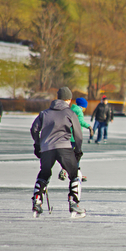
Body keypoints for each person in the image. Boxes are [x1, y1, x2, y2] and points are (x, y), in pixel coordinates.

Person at [30, 87, 86, 218]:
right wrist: (77, 150)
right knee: (75, 174)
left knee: (44, 173)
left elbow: (34, 130)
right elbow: (79, 135)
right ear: (68, 99)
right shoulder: (70, 113)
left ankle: (37, 201)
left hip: (47, 148)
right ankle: (73, 203)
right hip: (64, 148)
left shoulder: (44, 113)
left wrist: (38, 144)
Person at [58, 97, 93, 182]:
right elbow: (80, 121)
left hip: (68, 137)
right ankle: (75, 172)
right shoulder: (79, 111)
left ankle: (65, 170)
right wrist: (89, 126)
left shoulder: (71, 110)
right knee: (77, 155)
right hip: (75, 137)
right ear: (83, 106)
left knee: (69, 155)